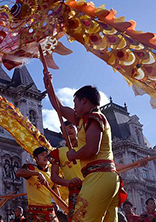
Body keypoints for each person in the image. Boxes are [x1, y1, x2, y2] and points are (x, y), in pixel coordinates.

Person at [43, 78, 124, 221]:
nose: (73, 107)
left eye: (75, 103)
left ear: (84, 101)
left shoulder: (94, 117)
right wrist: (49, 86)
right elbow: (60, 109)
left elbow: (92, 149)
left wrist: (73, 155)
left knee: (80, 219)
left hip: (99, 176)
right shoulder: (83, 120)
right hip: (103, 178)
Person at [48, 121, 83, 221]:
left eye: (71, 127)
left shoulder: (88, 147)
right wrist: (69, 182)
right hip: (75, 191)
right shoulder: (58, 152)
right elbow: (54, 177)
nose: (69, 130)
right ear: (63, 135)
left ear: (77, 129)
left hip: (93, 186)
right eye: (65, 130)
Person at [16, 147, 60, 222]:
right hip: (35, 211)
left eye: (46, 155)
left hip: (49, 211)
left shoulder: (52, 175)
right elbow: (18, 172)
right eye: (42, 155)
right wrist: (37, 174)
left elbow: (57, 196)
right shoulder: (31, 168)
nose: (45, 156)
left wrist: (60, 206)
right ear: (36, 158)